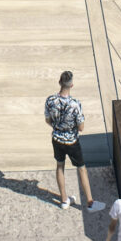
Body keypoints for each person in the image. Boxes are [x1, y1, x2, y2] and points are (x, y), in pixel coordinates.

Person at [45, 70, 87, 208]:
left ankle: (64, 200)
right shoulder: (75, 104)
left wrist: (58, 127)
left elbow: (48, 120)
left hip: (57, 139)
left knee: (60, 166)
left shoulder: (50, 101)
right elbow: (81, 127)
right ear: (72, 85)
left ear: (59, 82)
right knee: (81, 168)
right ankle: (90, 201)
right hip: (72, 141)